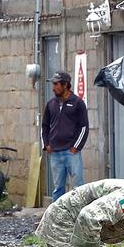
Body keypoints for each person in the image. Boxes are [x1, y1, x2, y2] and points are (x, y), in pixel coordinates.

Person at [42, 70, 89, 200]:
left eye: (56, 84)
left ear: (65, 85)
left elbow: (84, 127)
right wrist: (46, 144)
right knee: (58, 188)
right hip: (55, 153)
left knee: (78, 187)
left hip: (71, 152)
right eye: (53, 84)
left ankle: (78, 215)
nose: (53, 88)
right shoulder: (51, 104)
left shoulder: (78, 103)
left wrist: (76, 147)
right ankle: (57, 217)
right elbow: (44, 126)